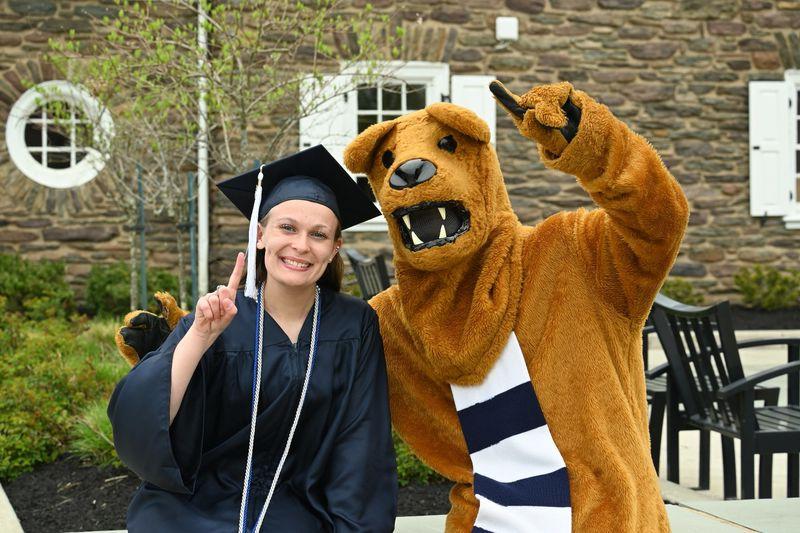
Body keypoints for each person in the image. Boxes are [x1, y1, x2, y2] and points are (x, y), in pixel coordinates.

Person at [107, 145, 398, 532]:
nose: (301, 246)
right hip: (196, 505)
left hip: (297, 505)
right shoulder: (219, 316)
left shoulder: (354, 324)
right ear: (260, 236)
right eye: (288, 228)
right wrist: (198, 337)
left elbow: (362, 440)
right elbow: (143, 423)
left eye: (318, 234)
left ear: (334, 249)